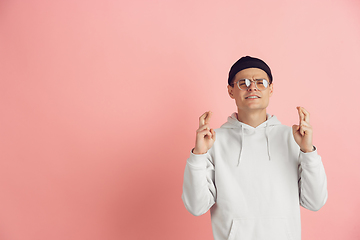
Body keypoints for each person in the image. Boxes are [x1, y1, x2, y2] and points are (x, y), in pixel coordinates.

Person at [181, 56, 328, 240]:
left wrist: (308, 152)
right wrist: (199, 155)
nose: (252, 87)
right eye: (243, 83)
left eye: (261, 82)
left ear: (271, 89)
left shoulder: (294, 138)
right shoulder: (212, 141)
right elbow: (196, 207)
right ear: (231, 91)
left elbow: (315, 202)